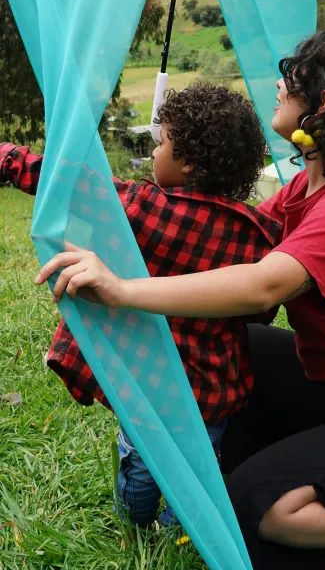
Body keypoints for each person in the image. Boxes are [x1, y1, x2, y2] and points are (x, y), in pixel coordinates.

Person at [35, 27, 325, 569]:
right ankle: (321, 463)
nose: (279, 87)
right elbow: (226, 245)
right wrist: (114, 235)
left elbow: (264, 283)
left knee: (256, 510)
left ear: (321, 104)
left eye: (292, 78)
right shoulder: (307, 188)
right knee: (233, 344)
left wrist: (122, 290)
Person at [0, 82, 281, 531]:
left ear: (187, 161)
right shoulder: (256, 231)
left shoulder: (142, 207)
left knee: (141, 462)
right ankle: (180, 532)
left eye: (162, 142)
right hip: (214, 388)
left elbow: (69, 183)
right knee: (199, 468)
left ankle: (134, 524)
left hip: (149, 385)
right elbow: (259, 310)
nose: (153, 152)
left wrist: (8, 159)